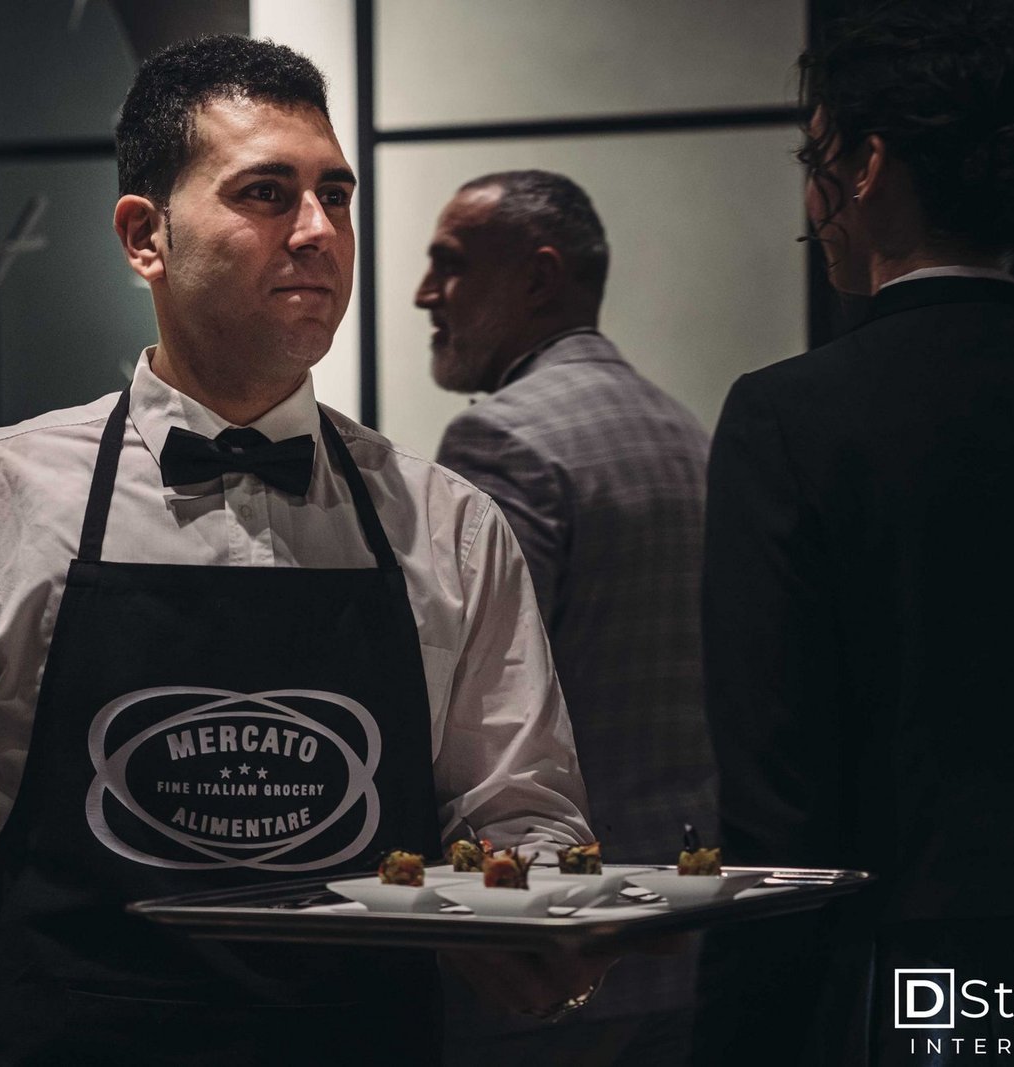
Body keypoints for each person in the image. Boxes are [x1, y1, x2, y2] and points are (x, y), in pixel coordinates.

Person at [0, 35, 599, 1066]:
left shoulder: (451, 523)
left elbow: (522, 805)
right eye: (266, 192)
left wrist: (536, 911)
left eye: (335, 195)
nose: (318, 229)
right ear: (143, 236)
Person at [696, 2, 1014, 1063]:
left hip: (901, 973)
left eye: (816, 159)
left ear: (866, 166)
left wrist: (739, 1028)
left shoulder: (788, 418)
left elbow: (776, 796)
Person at [419, 171, 715, 1065]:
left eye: (450, 264)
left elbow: (467, 700)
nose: (426, 293)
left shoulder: (502, 439)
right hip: (679, 933)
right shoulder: (683, 430)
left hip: (548, 944)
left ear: (540, 277)